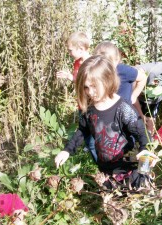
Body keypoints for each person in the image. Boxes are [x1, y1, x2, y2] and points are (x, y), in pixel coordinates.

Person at [54, 55, 158, 189]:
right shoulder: (90, 110)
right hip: (106, 171)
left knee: (130, 203)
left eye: (94, 86)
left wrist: (145, 154)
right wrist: (67, 150)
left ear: (108, 80)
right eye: (86, 87)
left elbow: (143, 134)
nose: (90, 92)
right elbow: (82, 130)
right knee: (112, 205)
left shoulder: (122, 109)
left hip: (128, 172)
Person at [55, 31, 97, 162]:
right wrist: (70, 77)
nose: (69, 53)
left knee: (92, 141)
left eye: (70, 50)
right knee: (88, 139)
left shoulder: (93, 63)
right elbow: (80, 81)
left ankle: (105, 170)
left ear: (81, 49)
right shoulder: (77, 63)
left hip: (93, 106)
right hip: (82, 104)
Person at [92, 41, 147, 106]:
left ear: (117, 60)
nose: (106, 68)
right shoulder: (97, 73)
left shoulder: (123, 70)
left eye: (109, 64)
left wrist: (134, 96)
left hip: (124, 110)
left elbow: (143, 78)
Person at [134, 62, 162, 135]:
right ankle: (143, 134)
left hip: (154, 97)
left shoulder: (161, 67)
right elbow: (134, 96)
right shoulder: (136, 71)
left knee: (150, 117)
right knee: (142, 116)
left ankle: (150, 137)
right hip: (142, 95)